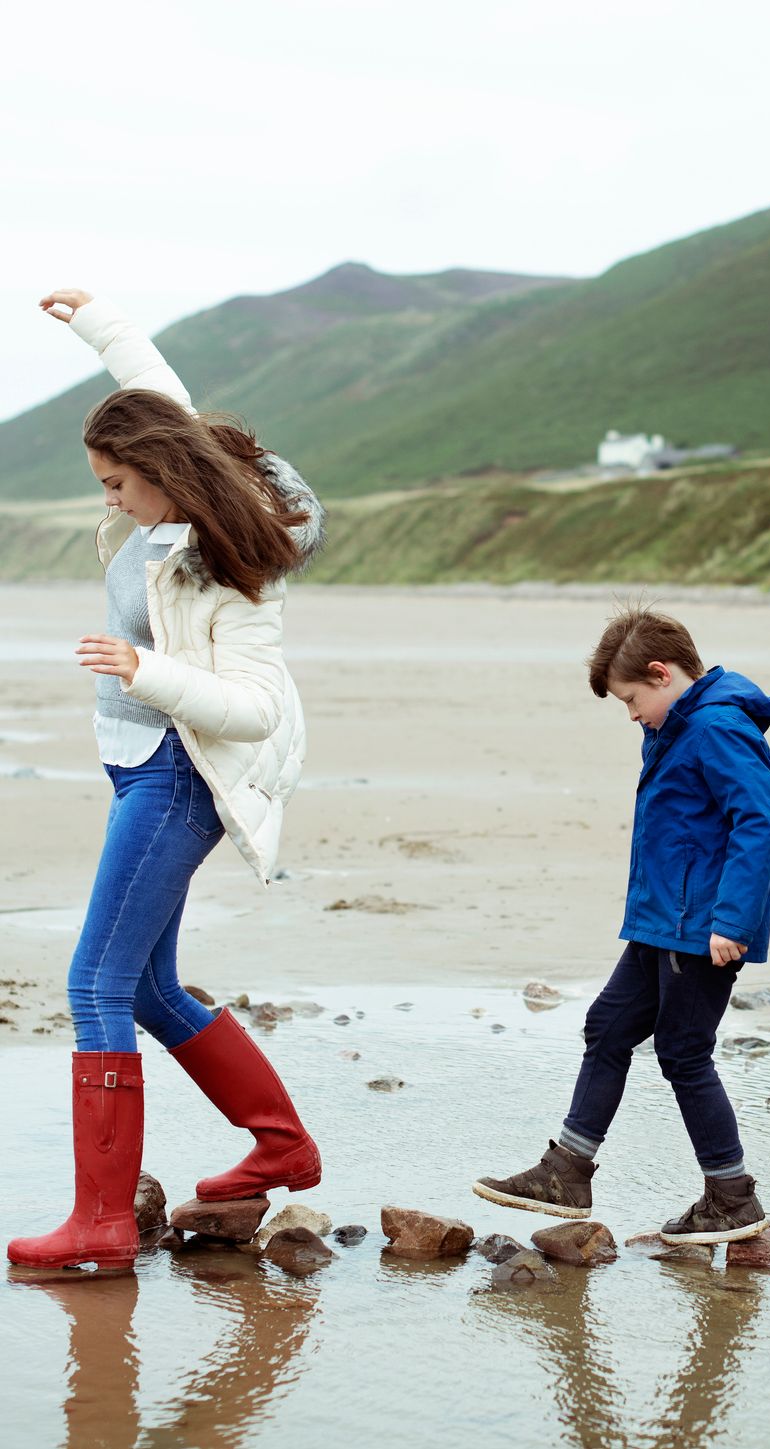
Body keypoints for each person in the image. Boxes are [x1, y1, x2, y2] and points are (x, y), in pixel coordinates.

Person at [7, 290, 325, 1273]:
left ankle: (100, 1222)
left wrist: (149, 673)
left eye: (115, 484)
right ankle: (282, 1145)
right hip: (137, 771)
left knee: (94, 983)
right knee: (142, 983)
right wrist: (98, 323)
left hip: (178, 781)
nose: (110, 500)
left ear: (161, 476)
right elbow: (157, 394)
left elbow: (256, 706)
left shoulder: (226, 565)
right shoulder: (176, 484)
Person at [473, 607, 770, 1244]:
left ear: (662, 674)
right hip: (658, 923)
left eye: (632, 699)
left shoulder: (718, 728)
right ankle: (567, 1172)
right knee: (608, 1026)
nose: (631, 713)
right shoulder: (678, 728)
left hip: (702, 930)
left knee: (683, 1052)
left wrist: (732, 920)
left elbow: (757, 822)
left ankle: (731, 1196)